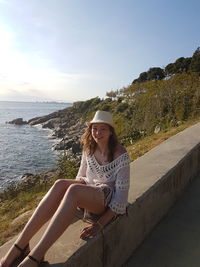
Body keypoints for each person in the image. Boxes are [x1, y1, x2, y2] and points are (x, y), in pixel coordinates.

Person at [0, 110, 130, 267]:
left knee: (73, 190)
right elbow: (81, 176)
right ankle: (20, 246)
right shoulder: (89, 147)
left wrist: (100, 225)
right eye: (94, 128)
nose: (97, 132)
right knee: (59, 183)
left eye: (103, 128)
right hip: (90, 195)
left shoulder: (120, 154)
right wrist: (77, 188)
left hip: (105, 203)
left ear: (110, 132)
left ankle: (36, 257)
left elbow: (121, 199)